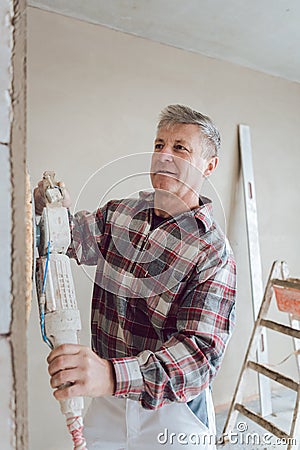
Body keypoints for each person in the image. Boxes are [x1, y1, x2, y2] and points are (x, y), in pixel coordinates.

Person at [34, 104, 236, 449]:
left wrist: (111, 376)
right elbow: (69, 238)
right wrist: (47, 211)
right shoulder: (120, 214)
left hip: (174, 413)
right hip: (108, 401)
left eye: (180, 147)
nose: (164, 156)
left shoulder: (213, 251)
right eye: (159, 144)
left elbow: (199, 355)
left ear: (210, 165)